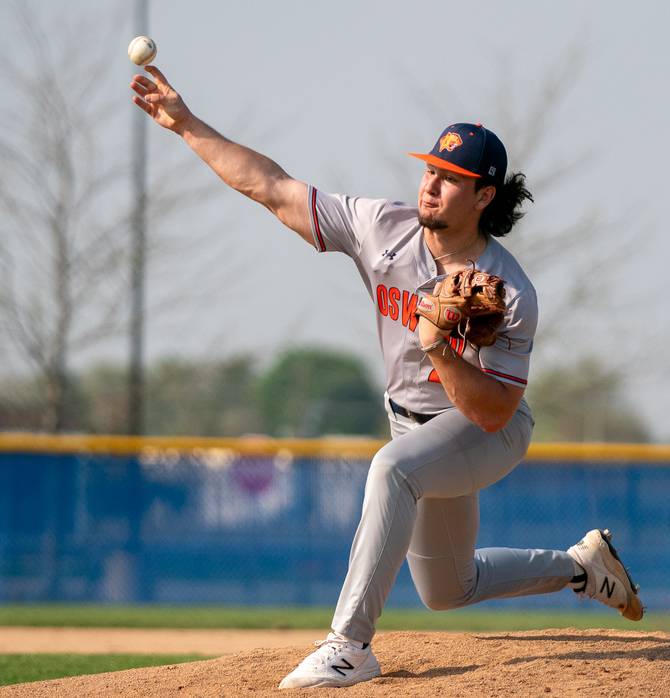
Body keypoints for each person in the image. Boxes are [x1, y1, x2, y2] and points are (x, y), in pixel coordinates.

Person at [131, 65, 643, 690]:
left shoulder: (509, 290)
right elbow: (271, 187)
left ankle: (349, 645)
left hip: (488, 431)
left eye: (450, 179)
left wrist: (444, 351)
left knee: (391, 469)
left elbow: (494, 413)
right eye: (430, 169)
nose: (430, 185)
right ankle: (582, 568)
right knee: (450, 589)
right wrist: (185, 124)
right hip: (413, 426)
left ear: (484, 196)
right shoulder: (384, 228)